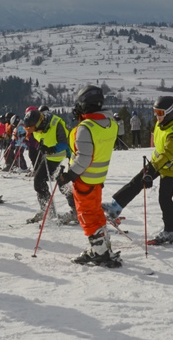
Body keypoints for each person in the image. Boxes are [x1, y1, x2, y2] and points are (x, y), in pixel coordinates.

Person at [103, 96, 173, 245]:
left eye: (160, 113)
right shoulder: (164, 123)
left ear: (170, 112)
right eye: (155, 112)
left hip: (170, 167)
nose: (157, 116)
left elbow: (168, 154)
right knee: (137, 181)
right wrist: (150, 170)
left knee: (164, 197)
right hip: (158, 162)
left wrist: (151, 171)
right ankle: (115, 206)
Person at [55, 85, 121, 267]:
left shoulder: (86, 128)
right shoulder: (110, 124)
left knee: (86, 214)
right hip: (98, 178)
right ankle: (104, 246)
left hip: (84, 179)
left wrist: (69, 175)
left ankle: (98, 252)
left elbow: (84, 158)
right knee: (96, 212)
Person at [23, 108, 74, 224]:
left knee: (64, 186)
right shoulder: (36, 128)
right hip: (49, 159)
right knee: (38, 182)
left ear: (37, 123)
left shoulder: (56, 124)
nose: (29, 131)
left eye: (30, 128)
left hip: (63, 159)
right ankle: (47, 210)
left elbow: (65, 143)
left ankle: (76, 211)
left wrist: (52, 149)